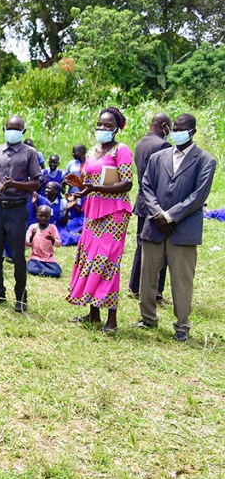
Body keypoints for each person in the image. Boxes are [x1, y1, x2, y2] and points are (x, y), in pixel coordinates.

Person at [136, 113, 217, 341]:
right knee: (147, 275)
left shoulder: (205, 160)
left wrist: (171, 216)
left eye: (182, 129)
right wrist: (158, 214)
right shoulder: (158, 157)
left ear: (193, 132)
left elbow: (198, 196)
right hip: (155, 225)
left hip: (183, 228)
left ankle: (182, 326)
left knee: (182, 279)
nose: (177, 132)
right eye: (175, 128)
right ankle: (147, 317)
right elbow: (146, 186)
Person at [66, 107, 134, 333]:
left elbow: (127, 183)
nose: (102, 128)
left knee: (108, 263)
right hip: (92, 212)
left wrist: (97, 188)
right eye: (99, 124)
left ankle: (111, 319)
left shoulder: (121, 150)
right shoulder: (92, 151)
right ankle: (93, 314)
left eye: (107, 125)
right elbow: (89, 181)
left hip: (114, 214)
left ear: (116, 128)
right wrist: (79, 188)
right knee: (90, 260)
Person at [0, 116, 42, 312]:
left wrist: (15, 184)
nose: (12, 132)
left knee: (17, 255)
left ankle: (21, 297)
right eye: (9, 128)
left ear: (23, 131)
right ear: (3, 129)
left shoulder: (29, 153)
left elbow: (36, 182)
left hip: (18, 207)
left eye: (17, 129)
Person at [127, 113, 172, 300]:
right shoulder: (163, 146)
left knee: (141, 245)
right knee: (161, 248)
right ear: (164, 126)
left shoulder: (141, 143)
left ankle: (134, 287)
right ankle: (156, 292)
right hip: (157, 203)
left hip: (142, 202)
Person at [26, 205, 63, 277]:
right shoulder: (33, 227)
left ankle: (42, 270)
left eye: (46, 216)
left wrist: (52, 239)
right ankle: (44, 270)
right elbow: (27, 244)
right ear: (37, 215)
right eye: (41, 216)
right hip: (35, 258)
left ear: (50, 216)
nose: (43, 218)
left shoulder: (52, 228)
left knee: (57, 272)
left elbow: (58, 244)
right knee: (31, 269)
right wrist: (32, 235)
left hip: (48, 259)